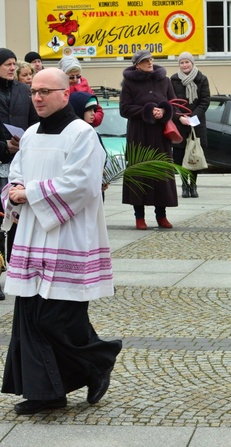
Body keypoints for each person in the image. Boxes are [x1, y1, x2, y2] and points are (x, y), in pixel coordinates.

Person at [0, 67, 122, 415]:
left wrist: (30, 194)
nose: (37, 97)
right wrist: (14, 192)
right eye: (33, 91)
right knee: (30, 313)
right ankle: (45, 393)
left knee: (58, 317)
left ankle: (97, 361)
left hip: (69, 233)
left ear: (64, 94)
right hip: (33, 233)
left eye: (45, 91)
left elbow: (81, 185)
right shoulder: (32, 133)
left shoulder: (82, 134)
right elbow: (16, 174)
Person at [120, 50, 178, 230]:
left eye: (151, 60)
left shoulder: (164, 80)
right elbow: (125, 109)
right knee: (140, 174)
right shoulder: (129, 82)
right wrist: (148, 110)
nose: (150, 63)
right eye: (145, 61)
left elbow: (173, 104)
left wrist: (164, 111)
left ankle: (161, 215)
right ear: (137, 64)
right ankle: (139, 217)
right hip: (139, 134)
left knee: (161, 174)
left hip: (161, 135)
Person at [0, 48, 39, 302]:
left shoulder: (25, 91)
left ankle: (18, 274)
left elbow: (37, 124)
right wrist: (4, 147)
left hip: (22, 165)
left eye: (14, 64)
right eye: (7, 64)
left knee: (18, 222)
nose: (13, 68)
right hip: (1, 159)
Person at [170, 51, 210, 199]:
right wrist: (180, 116)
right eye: (182, 62)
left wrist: (192, 117)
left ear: (192, 63)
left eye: (187, 62)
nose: (185, 65)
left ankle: (193, 184)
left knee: (195, 156)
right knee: (180, 157)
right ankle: (184, 185)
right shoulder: (173, 80)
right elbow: (171, 102)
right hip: (180, 124)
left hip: (196, 125)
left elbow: (205, 101)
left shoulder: (202, 79)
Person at [58, 56, 104, 127]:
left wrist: (92, 119)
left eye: (78, 76)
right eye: (71, 77)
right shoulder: (57, 89)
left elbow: (98, 110)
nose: (75, 79)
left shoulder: (86, 88)